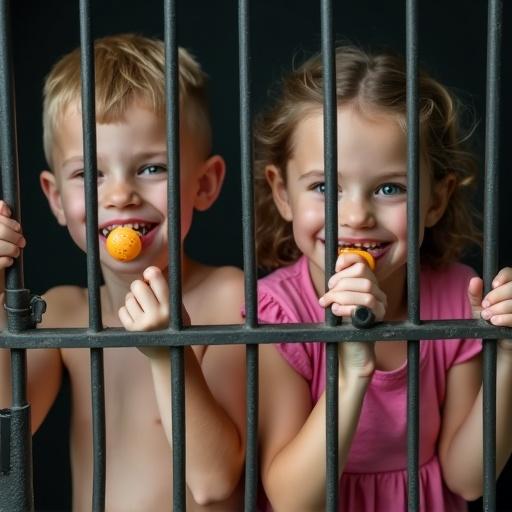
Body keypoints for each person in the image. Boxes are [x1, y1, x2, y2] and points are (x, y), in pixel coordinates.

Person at [253, 45, 512, 511]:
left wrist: (508, 356)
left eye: (390, 188)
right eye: (323, 187)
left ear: (436, 200)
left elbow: (469, 480)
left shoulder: (457, 294)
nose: (355, 215)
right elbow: (292, 500)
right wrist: (353, 373)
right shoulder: (277, 310)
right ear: (282, 193)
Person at [0, 34, 246, 511]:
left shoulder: (229, 296)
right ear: (54, 198)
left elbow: (214, 482)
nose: (119, 195)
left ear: (206, 183)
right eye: (88, 174)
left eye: (151, 169)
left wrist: (166, 351)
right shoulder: (66, 311)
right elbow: (7, 429)